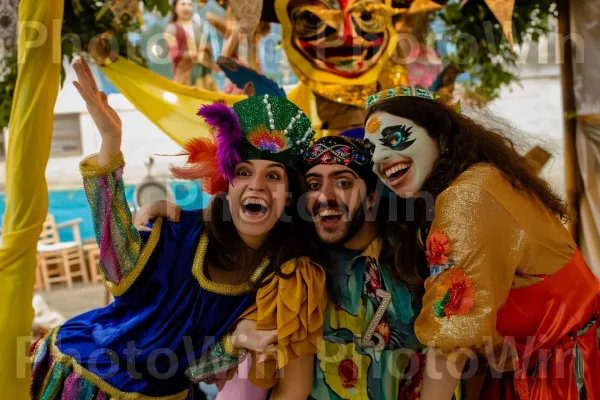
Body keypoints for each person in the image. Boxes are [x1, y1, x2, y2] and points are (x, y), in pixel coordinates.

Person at [30, 57, 326, 400]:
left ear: (289, 197)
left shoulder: (279, 278)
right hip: (83, 374)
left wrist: (236, 341)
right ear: (225, 184)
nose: (256, 185)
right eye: (243, 172)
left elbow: (195, 370)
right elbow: (118, 271)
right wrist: (110, 143)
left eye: (273, 176)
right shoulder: (180, 229)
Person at [136, 135, 426, 399]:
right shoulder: (298, 274)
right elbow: (289, 389)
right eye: (313, 185)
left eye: (344, 182)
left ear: (372, 197)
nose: (325, 196)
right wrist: (177, 219)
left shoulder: (419, 252)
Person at [363, 86, 600, 399]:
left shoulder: (468, 196)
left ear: (442, 138)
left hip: (564, 374)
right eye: (371, 150)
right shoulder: (476, 180)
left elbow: (451, 336)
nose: (379, 157)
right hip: (540, 363)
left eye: (394, 139)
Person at [165, 0, 218, 90]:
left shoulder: (197, 28)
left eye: (189, 5)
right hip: (183, 80)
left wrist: (207, 49)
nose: (187, 8)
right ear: (175, 8)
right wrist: (196, 54)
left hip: (204, 80)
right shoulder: (171, 28)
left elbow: (206, 52)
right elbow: (174, 55)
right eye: (183, 4)